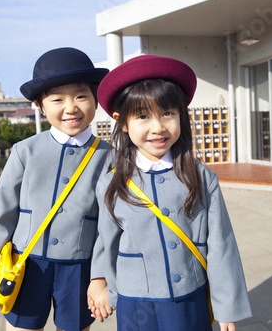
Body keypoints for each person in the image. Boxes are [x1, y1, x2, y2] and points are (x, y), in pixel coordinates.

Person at [88, 55, 252, 330]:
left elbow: (221, 245)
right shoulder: (111, 184)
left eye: (167, 113)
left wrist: (227, 308)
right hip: (134, 301)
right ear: (123, 122)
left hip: (189, 296)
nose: (158, 127)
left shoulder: (201, 177)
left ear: (181, 115)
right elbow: (106, 240)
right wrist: (99, 281)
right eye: (142, 116)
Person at [0, 47, 111, 331]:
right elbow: (1, 211)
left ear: (96, 101)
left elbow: (111, 225)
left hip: (80, 267)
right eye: (57, 99)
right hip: (27, 262)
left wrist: (101, 276)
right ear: (40, 105)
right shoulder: (26, 151)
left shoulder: (110, 156)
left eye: (81, 96)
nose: (71, 107)